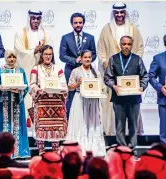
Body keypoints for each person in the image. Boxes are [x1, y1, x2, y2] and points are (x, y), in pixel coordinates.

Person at [97, 2, 144, 136]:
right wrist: (105, 63)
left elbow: (140, 48)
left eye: (121, 12)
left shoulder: (133, 29)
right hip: (113, 74)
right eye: (116, 13)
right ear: (113, 13)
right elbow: (100, 49)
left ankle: (132, 135)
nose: (119, 15)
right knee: (113, 102)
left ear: (125, 13)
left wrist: (135, 63)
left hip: (130, 74)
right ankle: (113, 133)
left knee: (132, 103)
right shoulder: (106, 29)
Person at [104, 36, 149, 150]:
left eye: (129, 44)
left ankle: (133, 147)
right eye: (124, 44)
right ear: (120, 44)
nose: (126, 46)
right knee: (120, 125)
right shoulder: (113, 59)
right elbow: (107, 77)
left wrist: (142, 87)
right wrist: (114, 86)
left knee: (133, 124)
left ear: (132, 45)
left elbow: (145, 76)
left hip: (134, 98)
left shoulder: (137, 59)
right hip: (119, 98)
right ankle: (122, 148)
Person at [66, 50, 105, 157]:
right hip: (80, 99)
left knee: (93, 123)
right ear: (81, 58)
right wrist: (77, 83)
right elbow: (69, 87)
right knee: (81, 123)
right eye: (85, 57)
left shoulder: (95, 72)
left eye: (89, 57)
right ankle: (80, 148)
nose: (87, 59)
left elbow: (100, 85)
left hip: (93, 100)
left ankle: (94, 149)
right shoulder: (76, 71)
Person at [14, 10, 54, 117]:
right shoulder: (21, 33)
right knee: (28, 94)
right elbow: (18, 51)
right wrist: (33, 52)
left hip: (42, 70)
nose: (35, 21)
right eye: (33, 18)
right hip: (27, 68)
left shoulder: (46, 33)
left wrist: (43, 52)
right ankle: (27, 120)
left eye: (38, 18)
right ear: (29, 19)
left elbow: (50, 51)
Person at [29, 45, 67, 154]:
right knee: (40, 129)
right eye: (46, 54)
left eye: (50, 54)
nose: (48, 56)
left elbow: (64, 84)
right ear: (41, 55)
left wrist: (64, 90)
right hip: (42, 103)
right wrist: (38, 90)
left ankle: (55, 153)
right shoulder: (36, 69)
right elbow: (32, 85)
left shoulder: (58, 69)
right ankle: (41, 152)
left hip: (56, 104)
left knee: (56, 130)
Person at [0, 50, 30, 159]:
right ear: (5, 58)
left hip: (17, 103)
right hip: (4, 104)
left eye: (14, 57)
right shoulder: (0, 72)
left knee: (19, 126)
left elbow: (25, 86)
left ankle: (19, 152)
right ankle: (3, 152)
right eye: (9, 57)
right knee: (3, 126)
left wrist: (20, 91)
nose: (12, 59)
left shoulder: (20, 71)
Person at [59, 12, 97, 117]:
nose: (78, 25)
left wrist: (85, 60)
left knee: (87, 94)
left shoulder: (90, 38)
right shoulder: (65, 38)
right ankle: (69, 123)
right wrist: (75, 60)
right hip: (70, 70)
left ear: (83, 23)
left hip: (87, 70)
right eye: (75, 23)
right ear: (72, 24)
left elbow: (94, 54)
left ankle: (85, 122)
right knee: (70, 97)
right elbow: (62, 56)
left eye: (80, 22)